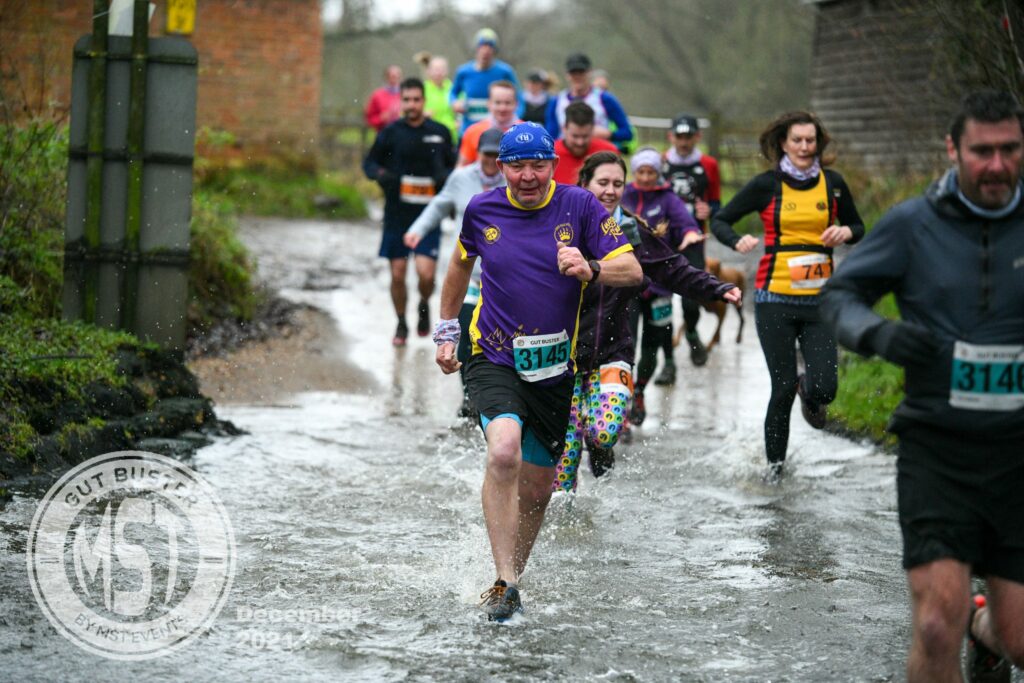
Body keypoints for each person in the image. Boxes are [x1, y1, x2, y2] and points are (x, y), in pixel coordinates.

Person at [821, 90, 1024, 683]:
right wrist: (880, 336)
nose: (997, 164)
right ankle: (965, 628)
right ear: (953, 149)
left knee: (1019, 638)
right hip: (939, 448)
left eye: (1010, 149)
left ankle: (986, 632)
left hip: (1018, 452)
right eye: (981, 151)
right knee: (936, 622)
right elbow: (840, 297)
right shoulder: (915, 224)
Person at [432, 122, 643, 621]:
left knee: (537, 488)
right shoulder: (482, 209)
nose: (528, 176)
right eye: (517, 166)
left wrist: (590, 266)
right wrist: (446, 332)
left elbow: (633, 271)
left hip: (553, 372)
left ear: (553, 165)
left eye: (538, 165)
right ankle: (503, 580)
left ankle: (513, 580)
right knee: (503, 449)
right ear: (501, 166)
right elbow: (460, 266)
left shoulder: (582, 207)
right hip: (494, 356)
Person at [554, 151, 741, 492]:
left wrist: (716, 287)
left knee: (604, 430)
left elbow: (672, 269)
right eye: (602, 183)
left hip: (613, 350)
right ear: (583, 184)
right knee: (561, 480)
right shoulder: (560, 226)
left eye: (617, 184)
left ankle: (596, 444)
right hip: (560, 359)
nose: (610, 191)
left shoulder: (631, 231)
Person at [710, 111, 863, 479]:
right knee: (780, 389)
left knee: (825, 388)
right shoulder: (767, 185)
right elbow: (720, 220)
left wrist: (846, 233)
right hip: (774, 299)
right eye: (798, 140)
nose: (805, 147)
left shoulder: (834, 184)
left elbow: (857, 225)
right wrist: (737, 240)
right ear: (783, 143)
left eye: (811, 141)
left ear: (818, 143)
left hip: (820, 301)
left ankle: (809, 393)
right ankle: (775, 473)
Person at [405, 127, 506, 416]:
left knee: (495, 337)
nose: (489, 161)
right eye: (485, 154)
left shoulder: (513, 183)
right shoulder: (462, 178)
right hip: (468, 275)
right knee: (466, 334)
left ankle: (494, 392)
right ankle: (469, 396)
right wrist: (417, 230)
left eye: (495, 156)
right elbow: (439, 205)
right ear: (478, 153)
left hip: (500, 278)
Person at [362, 77, 455, 346]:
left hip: (428, 216)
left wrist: (443, 176)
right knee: (398, 274)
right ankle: (401, 322)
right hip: (397, 214)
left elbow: (455, 168)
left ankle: (424, 302)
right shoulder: (390, 133)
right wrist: (383, 175)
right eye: (407, 100)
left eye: (416, 99)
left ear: (423, 101)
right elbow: (369, 164)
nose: (412, 104)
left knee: (426, 275)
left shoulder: (440, 132)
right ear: (400, 101)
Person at [622, 147, 703, 422]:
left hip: (660, 288)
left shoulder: (668, 199)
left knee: (652, 344)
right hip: (627, 286)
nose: (646, 178)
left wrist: (691, 233)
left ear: (658, 173)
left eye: (651, 172)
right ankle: (624, 394)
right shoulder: (624, 195)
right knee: (626, 342)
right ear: (634, 173)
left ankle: (640, 391)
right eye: (641, 172)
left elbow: (685, 223)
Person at [664, 114, 722, 367]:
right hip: (664, 238)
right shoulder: (661, 162)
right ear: (671, 136)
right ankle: (666, 358)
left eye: (689, 137)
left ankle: (691, 332)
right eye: (680, 136)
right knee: (660, 297)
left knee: (691, 294)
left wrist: (709, 210)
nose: (684, 142)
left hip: (694, 238)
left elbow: (717, 202)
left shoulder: (708, 164)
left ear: (697, 137)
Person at [544, 53, 633, 150]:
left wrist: (609, 134)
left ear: (590, 72)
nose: (577, 76)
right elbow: (551, 138)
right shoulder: (557, 101)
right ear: (567, 75)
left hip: (598, 156)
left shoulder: (605, 99)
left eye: (581, 72)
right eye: (573, 72)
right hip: (567, 157)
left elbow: (627, 133)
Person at [449, 28, 520, 136]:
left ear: (494, 50)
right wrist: (454, 102)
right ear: (477, 48)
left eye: (490, 47)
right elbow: (453, 93)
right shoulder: (464, 71)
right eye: (482, 46)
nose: (486, 51)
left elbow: (519, 98)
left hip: (497, 132)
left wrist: (513, 120)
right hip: (469, 130)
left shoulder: (505, 71)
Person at [551, 101, 618, 186]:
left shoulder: (607, 152)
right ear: (564, 129)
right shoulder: (550, 154)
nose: (580, 142)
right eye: (575, 136)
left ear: (593, 130)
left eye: (585, 136)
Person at [457, 80, 520, 166]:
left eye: (507, 103)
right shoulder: (473, 131)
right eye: (498, 102)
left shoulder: (527, 133)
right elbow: (461, 168)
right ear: (489, 104)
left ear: (516, 104)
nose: (502, 108)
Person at [416, 53, 458, 143]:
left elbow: (463, 107)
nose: (439, 72)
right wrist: (421, 115)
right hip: (429, 136)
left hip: (451, 136)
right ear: (428, 71)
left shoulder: (453, 89)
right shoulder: (422, 89)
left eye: (442, 69)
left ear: (447, 71)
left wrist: (459, 121)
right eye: (436, 69)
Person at [364, 65, 403, 133]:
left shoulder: (407, 95)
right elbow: (369, 118)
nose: (395, 79)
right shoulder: (377, 95)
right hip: (384, 134)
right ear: (386, 77)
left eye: (398, 76)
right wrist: (381, 119)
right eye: (393, 76)